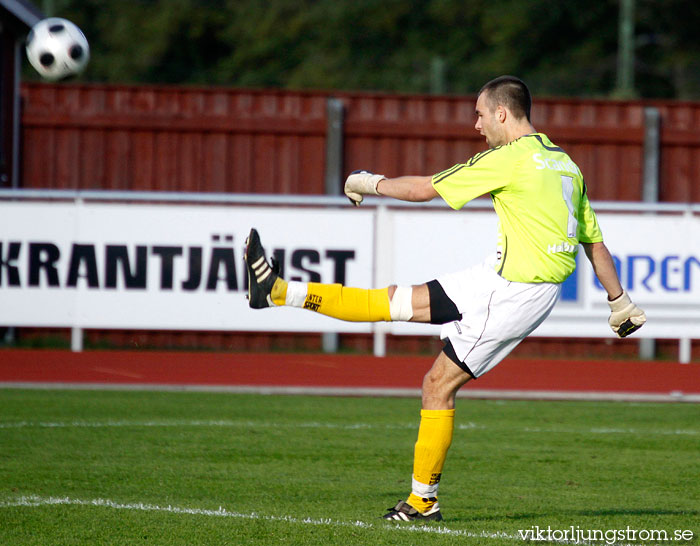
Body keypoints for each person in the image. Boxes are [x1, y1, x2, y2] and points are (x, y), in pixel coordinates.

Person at [243, 75, 646, 523]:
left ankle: (422, 502)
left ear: (501, 113)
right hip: (497, 279)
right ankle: (276, 291)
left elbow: (422, 190)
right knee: (393, 300)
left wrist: (367, 181)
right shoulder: (566, 165)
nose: (476, 126)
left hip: (516, 292)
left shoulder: (509, 158)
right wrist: (619, 302)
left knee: (437, 385)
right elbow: (595, 244)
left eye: (479, 114)